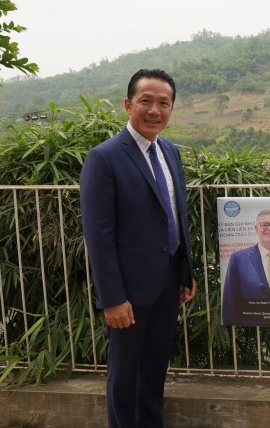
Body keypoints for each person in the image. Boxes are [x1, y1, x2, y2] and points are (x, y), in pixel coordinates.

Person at [80, 68, 196, 428]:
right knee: (125, 375)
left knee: (154, 369)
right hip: (128, 291)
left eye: (164, 103)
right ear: (128, 104)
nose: (155, 111)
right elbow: (99, 234)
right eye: (146, 101)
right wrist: (112, 298)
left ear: (172, 109)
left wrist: (185, 272)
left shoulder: (171, 152)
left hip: (166, 284)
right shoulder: (105, 157)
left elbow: (175, 215)